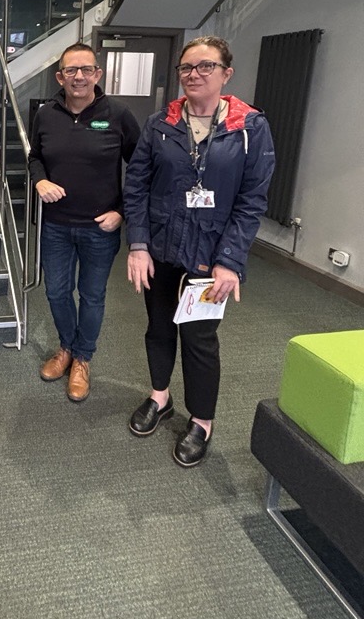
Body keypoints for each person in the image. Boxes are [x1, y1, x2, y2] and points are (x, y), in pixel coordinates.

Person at [124, 35, 275, 467]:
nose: (194, 74)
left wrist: (230, 261)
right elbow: (136, 187)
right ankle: (160, 397)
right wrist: (138, 245)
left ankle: (201, 421)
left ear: (226, 73)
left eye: (205, 66)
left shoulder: (250, 128)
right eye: (187, 67)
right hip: (161, 247)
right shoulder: (160, 124)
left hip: (211, 256)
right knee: (158, 327)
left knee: (199, 338)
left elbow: (252, 201)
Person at [29, 43, 140, 402]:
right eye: (70, 70)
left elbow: (142, 168)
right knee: (56, 292)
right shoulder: (46, 114)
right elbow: (35, 157)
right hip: (56, 226)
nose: (78, 76)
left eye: (86, 69)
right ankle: (66, 347)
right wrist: (39, 180)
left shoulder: (119, 114)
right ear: (60, 76)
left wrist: (122, 211)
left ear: (97, 74)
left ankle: (82, 358)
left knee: (92, 296)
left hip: (100, 228)